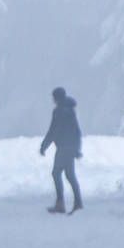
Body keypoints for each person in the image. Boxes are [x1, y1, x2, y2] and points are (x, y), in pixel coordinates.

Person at [39, 86, 83, 214]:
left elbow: (53, 130)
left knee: (57, 173)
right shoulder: (70, 110)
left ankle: (61, 203)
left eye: (53, 97)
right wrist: (77, 149)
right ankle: (77, 203)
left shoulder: (59, 111)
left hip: (63, 147)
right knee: (69, 175)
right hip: (70, 147)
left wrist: (44, 146)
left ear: (57, 98)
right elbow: (77, 131)